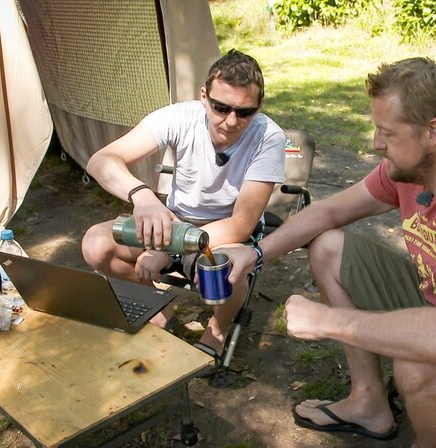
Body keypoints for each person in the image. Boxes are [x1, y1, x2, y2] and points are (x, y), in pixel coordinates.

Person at [220, 57, 436, 447]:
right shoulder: (412, 169)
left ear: (432, 131)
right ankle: (368, 403)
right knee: (328, 247)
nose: (375, 143)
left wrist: (328, 322)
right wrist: (256, 252)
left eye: (386, 132)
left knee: (418, 364)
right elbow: (329, 211)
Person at [82, 49, 286, 354]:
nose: (231, 121)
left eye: (244, 112)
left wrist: (164, 248)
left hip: (223, 232)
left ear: (259, 107)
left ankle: (218, 330)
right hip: (174, 220)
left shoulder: (268, 137)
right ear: (204, 96)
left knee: (227, 269)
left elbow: (241, 225)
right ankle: (160, 305)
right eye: (220, 108)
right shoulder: (179, 116)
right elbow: (101, 161)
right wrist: (142, 196)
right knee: (95, 244)